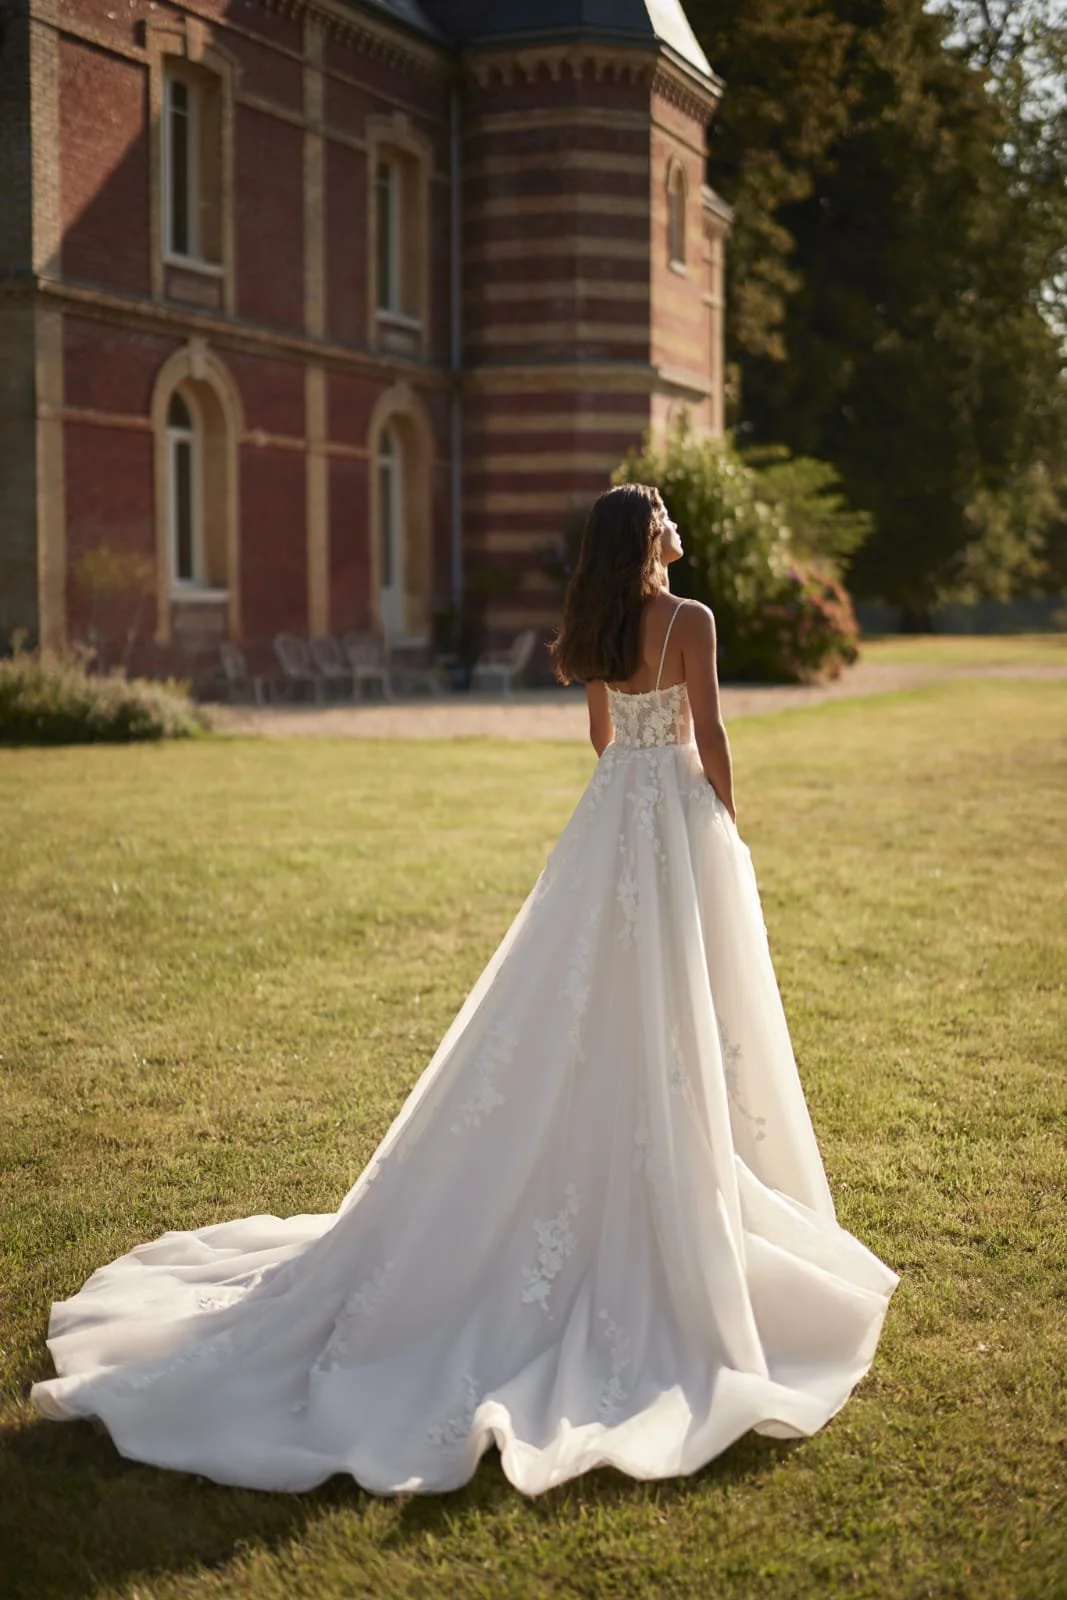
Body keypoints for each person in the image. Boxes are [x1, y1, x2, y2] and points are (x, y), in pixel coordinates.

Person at [32, 483, 899, 1496]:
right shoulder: (689, 621)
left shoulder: (598, 622)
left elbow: (602, 740)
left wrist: (634, 785)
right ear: (645, 538)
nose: (673, 524)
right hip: (671, 813)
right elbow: (709, 736)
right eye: (663, 514)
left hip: (612, 812)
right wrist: (723, 825)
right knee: (676, 993)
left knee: (583, 990)